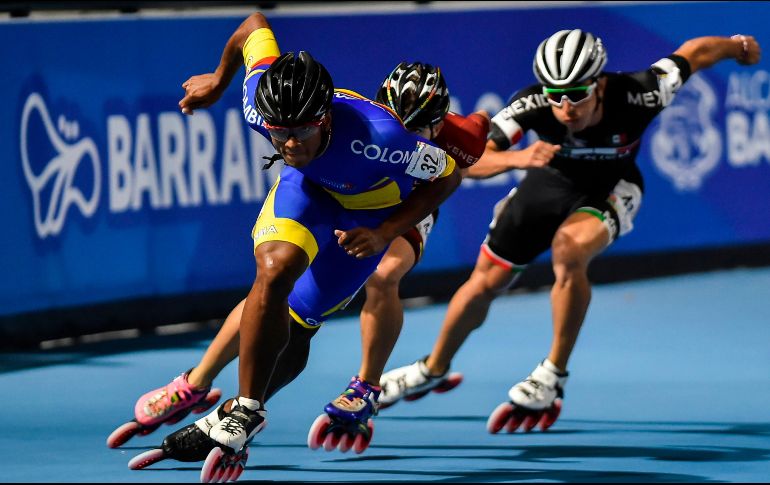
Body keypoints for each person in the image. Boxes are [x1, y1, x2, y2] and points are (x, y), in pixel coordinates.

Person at [118, 11, 468, 481]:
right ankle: (241, 408)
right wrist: (221, 81)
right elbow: (252, 23)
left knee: (301, 323)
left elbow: (447, 176)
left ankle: (243, 412)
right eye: (277, 132)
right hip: (309, 189)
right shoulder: (261, 100)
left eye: (300, 131)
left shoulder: (384, 138)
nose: (286, 142)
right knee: (273, 270)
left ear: (324, 118)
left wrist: (386, 232)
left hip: (369, 211)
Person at [378, 29, 761, 435]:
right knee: (484, 281)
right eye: (555, 93)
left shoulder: (641, 92)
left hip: (610, 186)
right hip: (548, 185)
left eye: (576, 93)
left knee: (568, 250)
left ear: (599, 83)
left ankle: (552, 374)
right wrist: (519, 157)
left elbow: (696, 52)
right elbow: (473, 159)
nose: (564, 105)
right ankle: (433, 368)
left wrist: (737, 48)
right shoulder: (532, 102)